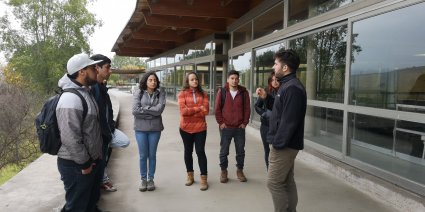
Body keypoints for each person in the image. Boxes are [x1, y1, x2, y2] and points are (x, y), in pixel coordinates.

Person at [56, 53, 103, 212]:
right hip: (76, 165)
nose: (97, 70)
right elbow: (70, 138)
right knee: (77, 207)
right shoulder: (70, 99)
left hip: (89, 161)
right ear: (82, 71)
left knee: (89, 202)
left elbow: (90, 128)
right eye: (93, 67)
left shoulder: (85, 92)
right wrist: (84, 163)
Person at [267, 49, 307, 212]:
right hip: (286, 144)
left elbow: (289, 122)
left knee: (274, 183)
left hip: (285, 146)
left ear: (285, 68)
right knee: (287, 181)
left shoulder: (292, 88)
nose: (273, 67)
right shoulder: (287, 86)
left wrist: (277, 144)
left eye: (276, 64)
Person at [214, 70, 251, 183]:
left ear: (239, 80)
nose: (234, 80)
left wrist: (244, 123)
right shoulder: (222, 91)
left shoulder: (243, 92)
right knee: (224, 151)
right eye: (232, 78)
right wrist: (221, 123)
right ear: (228, 80)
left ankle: (240, 170)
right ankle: (224, 171)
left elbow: (247, 109)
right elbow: (217, 109)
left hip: (239, 128)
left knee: (240, 151)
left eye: (236, 78)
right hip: (226, 128)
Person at [132, 71, 165, 192]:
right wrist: (151, 113)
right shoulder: (138, 92)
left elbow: (159, 110)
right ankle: (143, 179)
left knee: (152, 155)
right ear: (145, 81)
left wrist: (145, 109)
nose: (153, 82)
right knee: (142, 155)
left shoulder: (160, 93)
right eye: (150, 80)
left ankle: (151, 179)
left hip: (155, 130)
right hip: (140, 129)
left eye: (155, 80)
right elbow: (135, 110)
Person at [89, 54, 117, 192]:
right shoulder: (92, 88)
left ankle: (102, 181)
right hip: (98, 137)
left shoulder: (100, 86)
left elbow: (107, 110)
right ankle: (102, 181)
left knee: (101, 164)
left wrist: (110, 127)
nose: (110, 71)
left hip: (105, 134)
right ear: (97, 68)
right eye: (107, 67)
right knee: (97, 166)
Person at [177, 72, 209, 191]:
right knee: (188, 152)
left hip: (200, 128)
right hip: (185, 128)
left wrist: (192, 110)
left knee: (200, 152)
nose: (195, 81)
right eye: (192, 79)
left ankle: (204, 179)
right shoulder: (182, 94)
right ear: (187, 81)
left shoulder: (204, 94)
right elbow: (183, 112)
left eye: (196, 79)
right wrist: (198, 108)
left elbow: (205, 111)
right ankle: (190, 176)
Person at [255, 72, 280, 169]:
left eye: (277, 79)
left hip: (278, 126)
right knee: (267, 149)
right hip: (265, 125)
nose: (275, 82)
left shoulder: (283, 91)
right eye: (273, 80)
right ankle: (269, 169)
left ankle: (277, 170)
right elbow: (257, 106)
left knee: (277, 150)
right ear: (270, 81)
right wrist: (264, 114)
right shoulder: (266, 91)